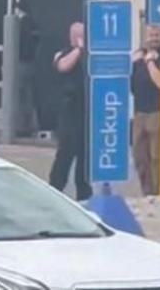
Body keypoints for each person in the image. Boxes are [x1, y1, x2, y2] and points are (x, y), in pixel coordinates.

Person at [49, 21, 92, 201]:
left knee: (85, 159)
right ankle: (54, 190)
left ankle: (84, 196)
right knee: (65, 155)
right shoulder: (64, 53)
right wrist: (78, 50)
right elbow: (62, 66)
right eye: (79, 35)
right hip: (69, 112)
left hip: (87, 112)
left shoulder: (90, 56)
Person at [131, 25, 160, 196]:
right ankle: (147, 192)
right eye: (151, 35)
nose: (154, 38)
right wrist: (136, 61)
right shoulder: (138, 56)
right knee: (140, 158)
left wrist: (150, 61)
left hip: (157, 112)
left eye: (157, 35)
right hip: (139, 112)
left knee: (156, 158)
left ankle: (158, 193)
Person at [15, 1, 41, 137]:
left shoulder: (20, 25)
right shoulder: (33, 24)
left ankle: (21, 127)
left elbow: (19, 44)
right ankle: (32, 126)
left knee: (20, 96)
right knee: (29, 96)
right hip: (31, 63)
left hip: (22, 62)